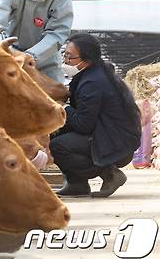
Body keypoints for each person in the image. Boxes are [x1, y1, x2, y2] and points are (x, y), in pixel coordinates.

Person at [50, 34, 141, 198]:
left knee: (58, 146)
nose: (65, 61)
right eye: (64, 55)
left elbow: (84, 125)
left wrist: (63, 107)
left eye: (70, 57)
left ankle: (109, 174)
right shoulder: (93, 74)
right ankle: (76, 184)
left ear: (86, 60)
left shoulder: (92, 83)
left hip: (116, 141)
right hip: (108, 132)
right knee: (56, 131)